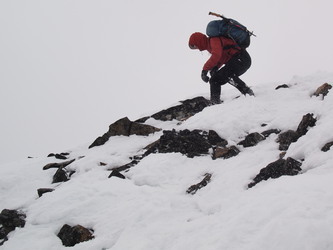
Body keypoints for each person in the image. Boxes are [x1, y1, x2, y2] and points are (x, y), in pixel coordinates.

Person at [188, 32, 254, 104]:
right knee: (215, 79)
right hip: (238, 60)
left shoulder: (213, 40)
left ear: (199, 41)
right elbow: (222, 57)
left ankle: (247, 92)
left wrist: (205, 70)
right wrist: (215, 68)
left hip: (241, 58)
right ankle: (215, 101)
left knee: (227, 74)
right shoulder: (210, 46)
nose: (197, 48)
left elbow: (216, 55)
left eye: (195, 46)